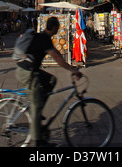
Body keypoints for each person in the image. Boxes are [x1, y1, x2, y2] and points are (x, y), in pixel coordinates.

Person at [15, 16, 82, 147]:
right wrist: (71, 70)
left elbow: (57, 53)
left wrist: (71, 67)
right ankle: (38, 142)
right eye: (58, 27)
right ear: (54, 28)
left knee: (51, 80)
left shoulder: (44, 37)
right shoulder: (43, 38)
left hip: (31, 70)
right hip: (26, 72)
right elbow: (56, 56)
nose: (59, 29)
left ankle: (38, 110)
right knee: (36, 105)